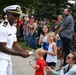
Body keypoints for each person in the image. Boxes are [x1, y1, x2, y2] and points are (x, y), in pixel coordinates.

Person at [0, 5, 29, 75]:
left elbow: (14, 43)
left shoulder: (13, 28)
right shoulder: (2, 27)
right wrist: (20, 54)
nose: (17, 17)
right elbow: (2, 47)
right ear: (8, 15)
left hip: (7, 57)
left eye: (18, 15)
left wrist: (23, 51)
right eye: (14, 15)